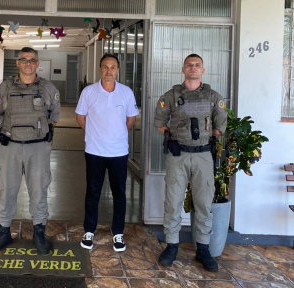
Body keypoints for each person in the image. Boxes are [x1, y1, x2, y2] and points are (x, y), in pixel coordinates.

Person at [154, 54, 227, 272]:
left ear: (202, 70)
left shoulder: (213, 97)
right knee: (173, 200)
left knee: (204, 202)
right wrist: (173, 138)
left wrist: (205, 137)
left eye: (197, 65)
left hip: (203, 156)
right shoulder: (171, 95)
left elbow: (220, 126)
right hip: (178, 156)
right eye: (189, 65)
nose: (193, 68)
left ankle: (203, 248)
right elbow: (159, 121)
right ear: (183, 69)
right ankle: (172, 245)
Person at [0, 47, 60, 254]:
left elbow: (54, 116)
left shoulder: (48, 88)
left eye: (32, 60)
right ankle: (3, 232)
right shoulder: (5, 87)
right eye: (24, 60)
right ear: (18, 63)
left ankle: (39, 232)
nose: (28, 63)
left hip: (37, 148)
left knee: (39, 191)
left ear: (37, 64)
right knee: (7, 190)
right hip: (10, 147)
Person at [75, 53, 138, 252]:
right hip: (94, 151)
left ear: (117, 70)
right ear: (100, 69)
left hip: (119, 153)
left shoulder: (126, 92)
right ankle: (89, 231)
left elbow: (131, 119)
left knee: (119, 193)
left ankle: (118, 232)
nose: (109, 71)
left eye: (112, 67)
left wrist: (117, 135)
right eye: (105, 67)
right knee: (92, 193)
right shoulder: (89, 92)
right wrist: (95, 135)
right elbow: (80, 117)